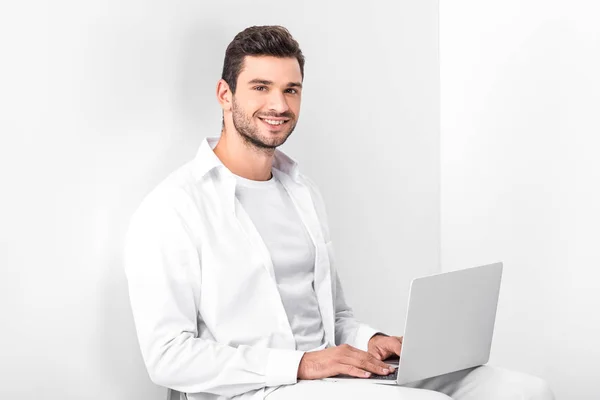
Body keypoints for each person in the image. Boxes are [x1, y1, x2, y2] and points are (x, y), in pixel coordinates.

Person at [124, 25, 555, 400]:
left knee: (526, 392)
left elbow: (336, 318)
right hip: (262, 389)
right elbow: (168, 357)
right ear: (225, 94)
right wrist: (301, 364)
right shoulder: (174, 208)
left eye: (290, 89)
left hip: (337, 377)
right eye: (260, 87)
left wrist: (374, 340)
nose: (279, 105)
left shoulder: (301, 192)